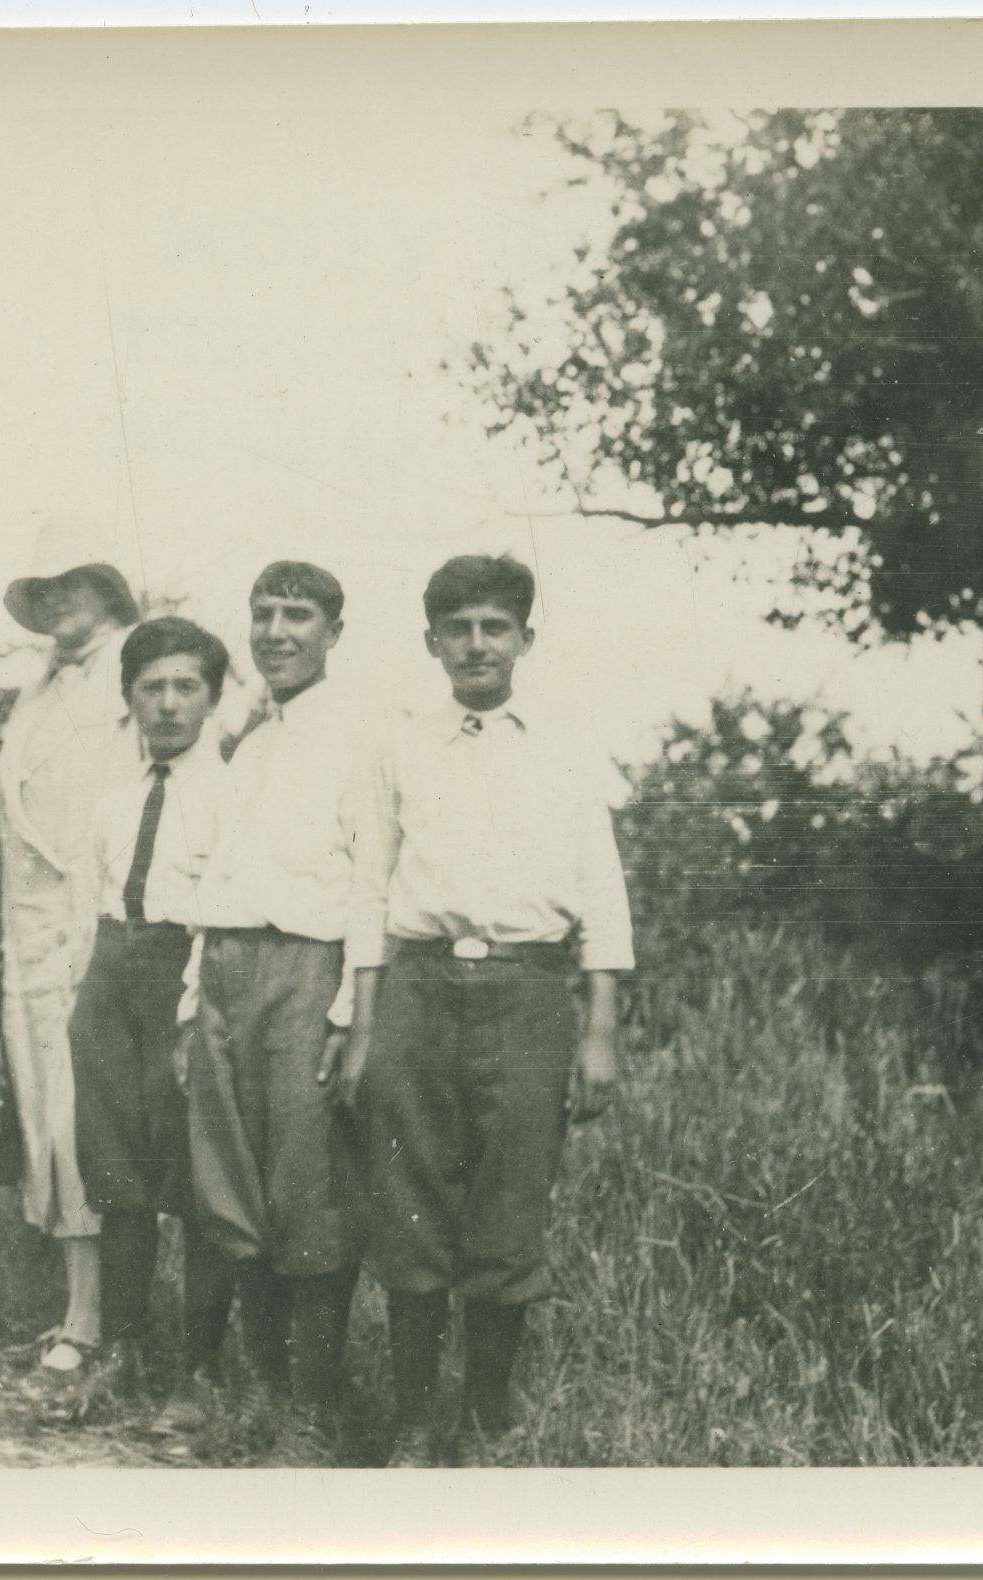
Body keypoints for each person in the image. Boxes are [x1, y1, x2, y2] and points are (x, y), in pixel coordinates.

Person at [334, 555, 633, 1467]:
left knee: (508, 1205)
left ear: (524, 640)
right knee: (412, 1201)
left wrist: (601, 1029)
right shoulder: (400, 745)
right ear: (432, 643)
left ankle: (486, 1415)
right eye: (457, 628)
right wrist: (359, 1021)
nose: (476, 644)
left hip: (528, 992)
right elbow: (370, 885)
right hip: (418, 990)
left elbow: (602, 891)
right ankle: (419, 1416)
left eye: (494, 627)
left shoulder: (569, 747)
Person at [174, 561, 363, 1461]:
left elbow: (376, 880)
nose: (277, 633)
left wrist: (350, 1006)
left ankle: (311, 1418)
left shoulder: (361, 737)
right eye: (263, 615)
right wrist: (191, 1000)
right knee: (230, 1189)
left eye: (299, 616)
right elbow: (217, 872)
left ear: (334, 630)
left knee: (307, 1188)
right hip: (225, 968)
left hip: (306, 968)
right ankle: (261, 1394)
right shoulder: (245, 743)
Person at [50, 616, 233, 1412]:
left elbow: (222, 911)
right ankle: (123, 1352)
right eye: (151, 688)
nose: (167, 705)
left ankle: (197, 1371)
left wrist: (194, 1014)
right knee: (116, 1178)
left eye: (185, 687)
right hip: (108, 982)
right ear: (129, 698)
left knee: (194, 1184)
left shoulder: (231, 793)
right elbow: (82, 901)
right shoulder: (115, 800)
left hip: (184, 986)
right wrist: (80, 1000)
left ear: (212, 698)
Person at [0, 517, 144, 1384]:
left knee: (84, 1115)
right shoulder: (38, 691)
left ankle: (97, 1321)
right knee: (42, 1111)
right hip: (28, 929)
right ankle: (73, 1307)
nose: (56, 604)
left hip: (98, 921)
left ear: (107, 590)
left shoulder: (134, 672)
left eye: (70, 586)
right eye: (43, 592)